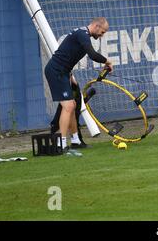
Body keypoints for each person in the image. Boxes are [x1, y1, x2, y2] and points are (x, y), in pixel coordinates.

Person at [44, 17, 113, 152]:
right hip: (55, 71)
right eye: (102, 32)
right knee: (68, 106)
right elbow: (92, 55)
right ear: (96, 26)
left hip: (64, 72)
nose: (102, 36)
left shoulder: (83, 34)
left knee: (73, 105)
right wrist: (108, 62)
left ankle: (75, 140)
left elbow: (67, 54)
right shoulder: (83, 35)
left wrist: (70, 75)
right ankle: (61, 144)